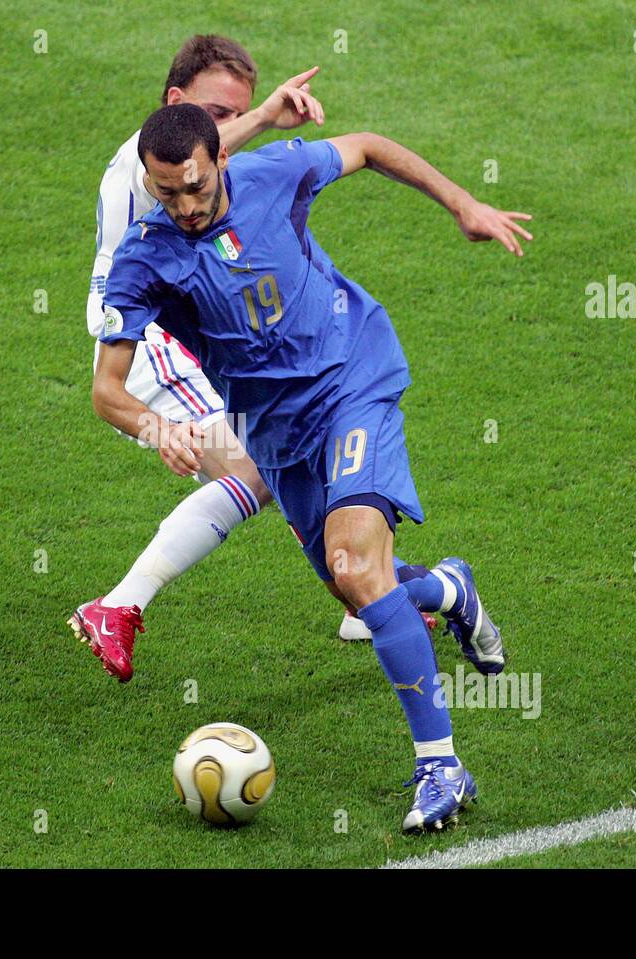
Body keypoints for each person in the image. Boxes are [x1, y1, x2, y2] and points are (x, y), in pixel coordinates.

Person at [93, 103, 530, 831]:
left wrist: (464, 202)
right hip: (277, 434)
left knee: (357, 564)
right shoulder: (145, 259)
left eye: (195, 187)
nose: (185, 206)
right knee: (361, 593)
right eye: (166, 192)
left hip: (353, 378)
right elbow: (107, 389)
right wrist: (155, 425)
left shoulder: (276, 173)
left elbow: (366, 145)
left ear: (221, 160)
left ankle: (442, 765)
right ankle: (450, 587)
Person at [72, 35, 412, 684]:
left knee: (289, 467)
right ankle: (118, 605)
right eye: (217, 113)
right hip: (153, 346)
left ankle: (370, 597)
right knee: (260, 471)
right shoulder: (140, 166)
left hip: (190, 333)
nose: (225, 130)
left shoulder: (183, 163)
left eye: (235, 115)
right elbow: (200, 164)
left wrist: (265, 117)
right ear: (176, 103)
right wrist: (159, 427)